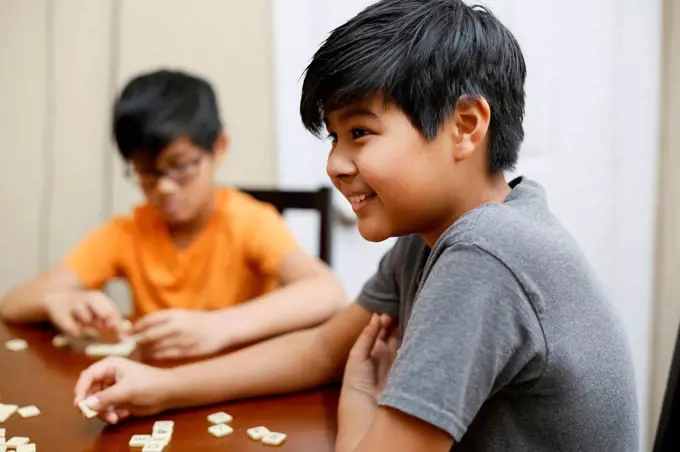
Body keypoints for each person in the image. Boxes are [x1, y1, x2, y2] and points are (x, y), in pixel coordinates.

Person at [71, 1, 639, 451]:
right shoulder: (433, 238)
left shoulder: (486, 253)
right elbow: (322, 349)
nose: (335, 163)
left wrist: (361, 395)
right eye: (334, 137)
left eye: (360, 132)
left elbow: (347, 383)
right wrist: (161, 387)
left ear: (465, 126)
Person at [0, 69, 346, 361]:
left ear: (219, 147)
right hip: (154, 384)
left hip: (238, 383)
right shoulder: (125, 233)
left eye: (180, 167)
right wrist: (57, 301)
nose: (164, 187)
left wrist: (219, 326)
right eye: (147, 172)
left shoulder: (249, 221)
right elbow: (12, 303)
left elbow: (326, 291)